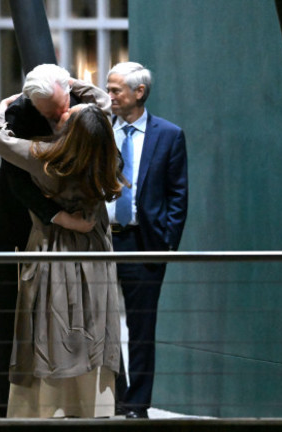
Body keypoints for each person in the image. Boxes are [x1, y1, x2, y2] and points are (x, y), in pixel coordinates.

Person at [0, 86, 126, 418]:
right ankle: (91, 406)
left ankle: (50, 409)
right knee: (93, 323)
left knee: (50, 328)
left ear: (74, 131)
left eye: (68, 115)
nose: (63, 114)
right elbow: (101, 104)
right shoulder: (105, 154)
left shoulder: (45, 155)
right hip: (95, 250)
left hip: (53, 248)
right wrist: (72, 86)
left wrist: (5, 104)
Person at [106, 62, 188, 419]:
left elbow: (178, 195)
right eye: (108, 89)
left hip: (144, 243)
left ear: (139, 93)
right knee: (103, 326)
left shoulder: (169, 135)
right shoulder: (99, 131)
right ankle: (115, 396)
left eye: (115, 90)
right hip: (101, 242)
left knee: (140, 328)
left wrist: (166, 244)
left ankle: (137, 404)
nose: (109, 96)